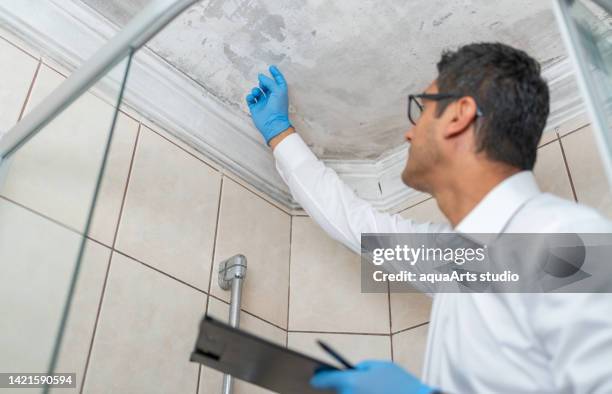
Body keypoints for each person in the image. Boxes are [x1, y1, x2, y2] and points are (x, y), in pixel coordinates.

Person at [245, 43, 612, 393]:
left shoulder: (566, 238)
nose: (409, 132)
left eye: (419, 112)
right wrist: (280, 134)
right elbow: (357, 226)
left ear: (459, 115)